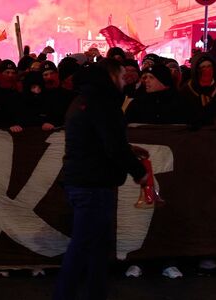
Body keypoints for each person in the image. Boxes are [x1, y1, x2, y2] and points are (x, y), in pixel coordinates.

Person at [54, 59, 147, 300]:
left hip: (83, 179)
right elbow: (113, 145)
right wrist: (139, 172)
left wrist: (128, 150)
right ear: (111, 76)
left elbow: (95, 138)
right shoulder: (103, 103)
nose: (125, 80)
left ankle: (93, 293)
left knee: (94, 247)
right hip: (93, 183)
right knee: (84, 246)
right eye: (121, 76)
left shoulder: (82, 100)